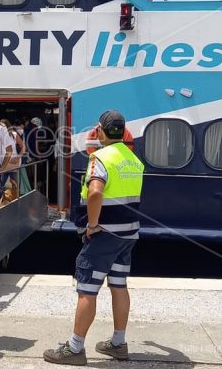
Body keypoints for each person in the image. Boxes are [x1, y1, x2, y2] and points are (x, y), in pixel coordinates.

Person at [43, 110, 144, 365]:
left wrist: (92, 224)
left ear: (100, 130)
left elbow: (96, 192)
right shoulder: (133, 160)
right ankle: (118, 343)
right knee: (119, 285)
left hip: (104, 234)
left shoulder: (99, 158)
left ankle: (75, 348)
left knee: (87, 289)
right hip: (128, 234)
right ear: (122, 132)